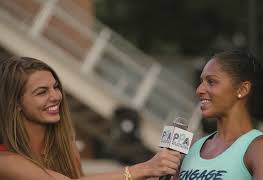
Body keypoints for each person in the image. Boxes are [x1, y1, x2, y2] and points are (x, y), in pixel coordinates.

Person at [0, 57, 181, 180]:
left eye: (56, 87)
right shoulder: (4, 159)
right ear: (15, 103)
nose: (55, 96)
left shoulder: (66, 147)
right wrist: (145, 169)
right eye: (42, 92)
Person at [177, 50, 263, 180]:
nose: (199, 90)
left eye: (211, 81)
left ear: (242, 90)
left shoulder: (262, 148)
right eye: (201, 82)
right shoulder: (192, 148)